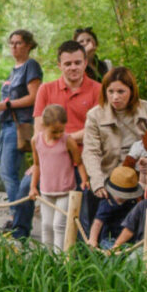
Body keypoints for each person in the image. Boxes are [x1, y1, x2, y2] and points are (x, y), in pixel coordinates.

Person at [81, 67, 147, 244]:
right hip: (108, 179)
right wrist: (97, 182)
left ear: (131, 91)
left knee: (138, 230)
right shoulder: (95, 115)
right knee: (101, 226)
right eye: (111, 92)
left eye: (121, 91)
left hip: (139, 179)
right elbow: (90, 151)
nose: (115, 97)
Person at [35, 39, 102, 231]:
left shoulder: (98, 89)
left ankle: (82, 244)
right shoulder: (46, 89)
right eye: (68, 63)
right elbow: (39, 128)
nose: (73, 67)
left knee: (83, 198)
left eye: (77, 62)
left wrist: (64, 139)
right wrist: (38, 161)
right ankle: (19, 236)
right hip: (52, 157)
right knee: (25, 187)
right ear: (59, 65)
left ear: (85, 63)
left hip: (84, 158)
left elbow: (94, 129)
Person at [0, 30, 43, 239]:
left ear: (28, 45)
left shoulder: (31, 66)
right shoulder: (14, 69)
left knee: (9, 172)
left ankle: (18, 218)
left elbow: (34, 97)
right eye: (11, 43)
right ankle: (18, 216)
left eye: (19, 43)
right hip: (6, 123)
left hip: (19, 125)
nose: (14, 47)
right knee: (5, 171)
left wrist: (7, 105)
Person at [29, 105, 78, 249]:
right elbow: (36, 165)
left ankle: (60, 257)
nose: (58, 134)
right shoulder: (36, 141)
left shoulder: (67, 140)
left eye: (61, 130)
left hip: (65, 190)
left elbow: (77, 161)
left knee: (59, 225)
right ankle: (47, 257)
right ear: (44, 126)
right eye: (54, 131)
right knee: (46, 225)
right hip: (46, 190)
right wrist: (33, 186)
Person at [89, 165, 142, 248]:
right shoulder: (107, 203)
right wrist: (93, 239)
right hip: (109, 240)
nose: (123, 198)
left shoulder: (132, 202)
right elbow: (97, 223)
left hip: (128, 240)